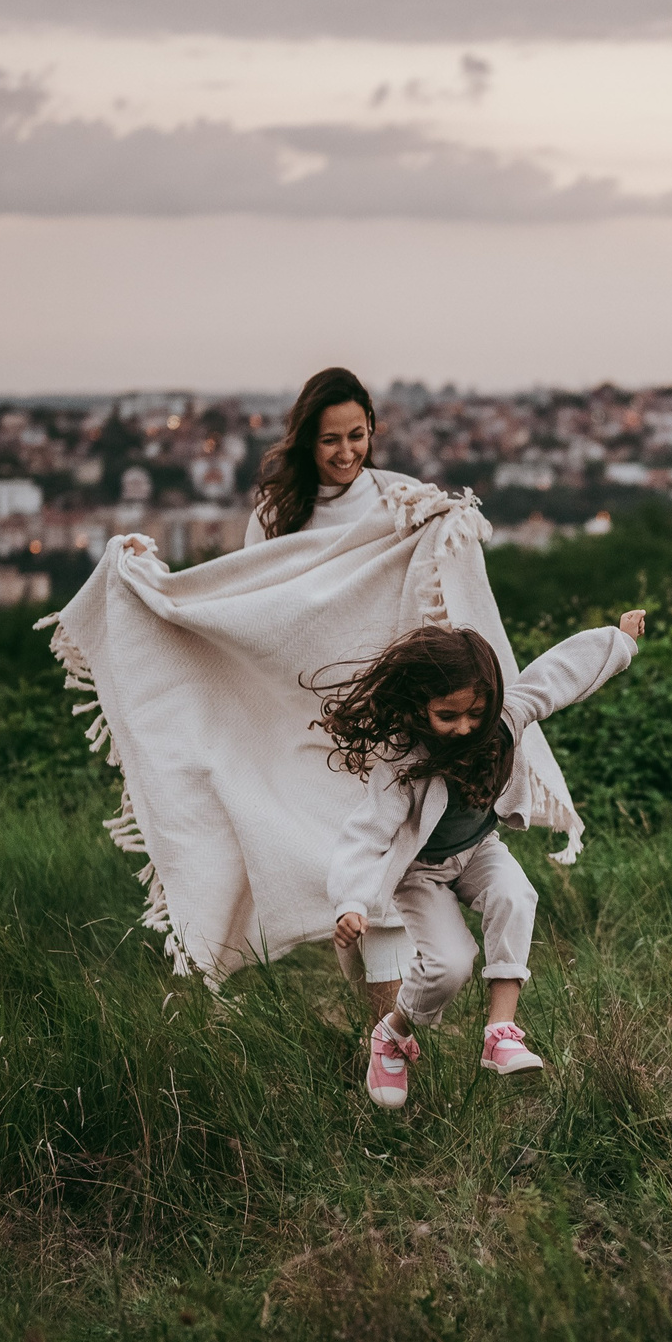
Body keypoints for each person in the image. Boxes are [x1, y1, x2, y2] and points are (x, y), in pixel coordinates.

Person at [313, 610, 649, 1109]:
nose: (465, 727)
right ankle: (391, 1035)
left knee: (516, 893)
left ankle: (501, 1032)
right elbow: (365, 836)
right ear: (418, 708)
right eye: (448, 716)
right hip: (420, 874)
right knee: (451, 965)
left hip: (478, 851)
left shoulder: (507, 717)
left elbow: (558, 674)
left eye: (476, 713)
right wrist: (351, 902)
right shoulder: (403, 763)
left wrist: (618, 642)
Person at [248, 367, 424, 1020]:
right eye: (330, 440)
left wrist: (452, 522)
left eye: (357, 435)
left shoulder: (401, 498)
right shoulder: (275, 513)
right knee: (343, 893)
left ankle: (391, 1054)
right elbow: (249, 607)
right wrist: (153, 586)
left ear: (373, 431)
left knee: (384, 886)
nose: (346, 452)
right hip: (309, 722)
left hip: (391, 719)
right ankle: (383, 1027)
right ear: (305, 440)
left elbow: (438, 579)